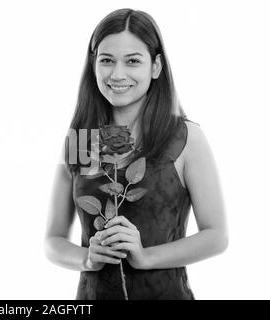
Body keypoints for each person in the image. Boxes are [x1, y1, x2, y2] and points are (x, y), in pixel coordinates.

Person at [44, 8, 228, 300]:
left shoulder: (186, 138)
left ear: (155, 67)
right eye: (106, 61)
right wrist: (87, 259)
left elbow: (216, 236)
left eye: (132, 61)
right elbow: (52, 241)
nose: (118, 74)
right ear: (94, 65)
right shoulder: (80, 140)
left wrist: (145, 256)